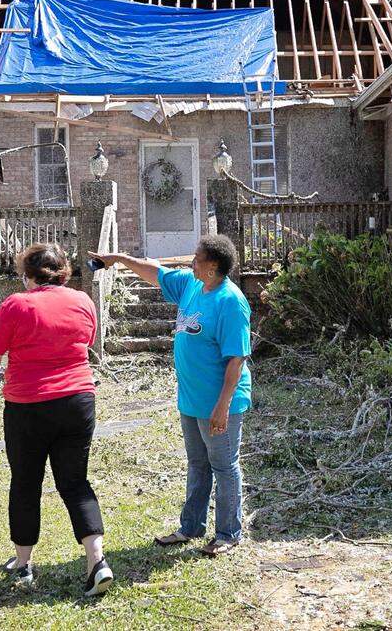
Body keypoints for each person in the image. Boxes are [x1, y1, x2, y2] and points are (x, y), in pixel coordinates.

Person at [89, 235, 251, 556]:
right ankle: (191, 527)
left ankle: (228, 534)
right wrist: (120, 258)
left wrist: (223, 406)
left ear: (213, 267)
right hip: (191, 400)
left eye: (197, 258)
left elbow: (236, 359)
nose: (191, 262)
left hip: (220, 403)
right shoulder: (193, 285)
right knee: (197, 464)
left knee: (223, 466)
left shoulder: (230, 301)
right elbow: (156, 271)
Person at [0, 242, 114, 595]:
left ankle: (23, 566)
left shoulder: (17, 304)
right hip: (78, 401)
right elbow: (87, 341)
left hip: (29, 406)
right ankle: (97, 561)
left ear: (27, 276)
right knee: (75, 482)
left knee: (26, 482)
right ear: (64, 272)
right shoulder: (83, 300)